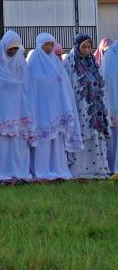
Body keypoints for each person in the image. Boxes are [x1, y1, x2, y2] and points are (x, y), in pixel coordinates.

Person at [27, 33, 82, 180]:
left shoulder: (57, 64)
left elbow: (65, 87)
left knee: (57, 141)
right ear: (39, 45)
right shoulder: (33, 64)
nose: (49, 48)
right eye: (46, 44)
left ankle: (58, 169)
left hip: (57, 110)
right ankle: (41, 170)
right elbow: (31, 89)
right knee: (43, 142)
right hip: (40, 110)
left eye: (51, 44)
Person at [0, 31, 33, 181]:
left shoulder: (20, 61)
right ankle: (0, 170)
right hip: (1, 105)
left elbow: (26, 83)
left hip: (19, 107)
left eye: (15, 48)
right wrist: (13, 84)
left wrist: (17, 87)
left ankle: (19, 170)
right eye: (10, 48)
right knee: (2, 139)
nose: (13, 51)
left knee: (18, 140)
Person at [64, 33, 111, 178]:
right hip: (79, 106)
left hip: (94, 108)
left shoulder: (93, 63)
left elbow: (101, 82)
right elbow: (67, 85)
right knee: (82, 134)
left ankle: (98, 168)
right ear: (77, 47)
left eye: (89, 47)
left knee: (96, 136)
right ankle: (80, 170)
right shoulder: (70, 62)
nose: (86, 50)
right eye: (83, 47)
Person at [101, 41, 118, 173]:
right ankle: (113, 167)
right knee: (113, 137)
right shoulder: (111, 55)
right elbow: (107, 80)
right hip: (112, 101)